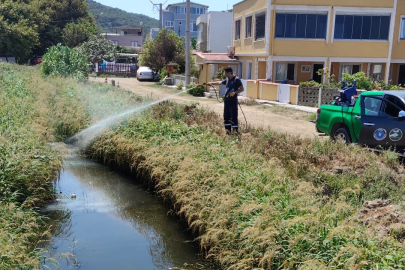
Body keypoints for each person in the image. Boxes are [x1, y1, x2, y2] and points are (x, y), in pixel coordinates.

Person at [212, 67, 244, 134]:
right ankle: (228, 131)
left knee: (233, 116)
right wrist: (210, 83)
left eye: (226, 73)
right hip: (226, 101)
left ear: (229, 73)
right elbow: (220, 82)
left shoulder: (236, 79)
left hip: (233, 101)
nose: (225, 74)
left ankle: (235, 131)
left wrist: (235, 92)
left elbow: (242, 89)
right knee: (226, 116)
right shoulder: (227, 80)